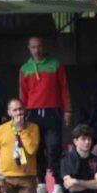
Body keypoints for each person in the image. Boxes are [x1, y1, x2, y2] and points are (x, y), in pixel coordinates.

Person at [19, 36, 71, 184]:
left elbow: (64, 88)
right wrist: (21, 114)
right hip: (33, 113)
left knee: (54, 147)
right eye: (33, 47)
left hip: (52, 112)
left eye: (39, 46)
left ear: (44, 46)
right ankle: (41, 182)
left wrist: (68, 111)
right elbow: (23, 93)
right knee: (36, 148)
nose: (36, 50)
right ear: (29, 49)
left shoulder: (55, 64)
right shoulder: (24, 68)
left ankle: (58, 183)